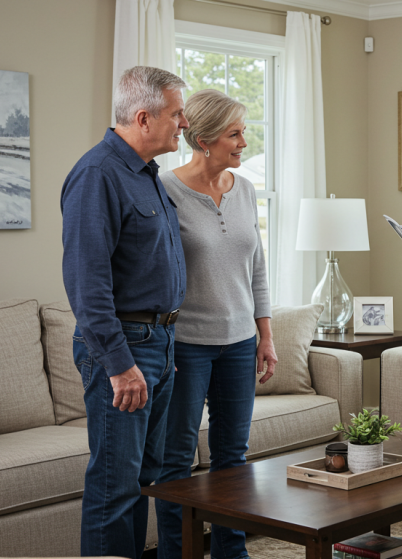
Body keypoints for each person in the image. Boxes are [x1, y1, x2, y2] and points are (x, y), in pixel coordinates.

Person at [61, 66, 189, 559]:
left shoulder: (147, 175)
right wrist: (120, 365)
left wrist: (165, 343)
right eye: (176, 114)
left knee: (144, 478)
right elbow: (86, 285)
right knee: (116, 486)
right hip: (125, 349)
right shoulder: (97, 175)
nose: (183, 123)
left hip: (157, 343)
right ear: (143, 118)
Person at [154, 88, 277, 559]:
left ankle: (232, 552)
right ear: (203, 139)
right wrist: (163, 346)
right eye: (235, 133)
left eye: (243, 132)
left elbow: (257, 269)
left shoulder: (242, 188)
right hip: (186, 345)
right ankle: (176, 553)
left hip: (240, 342)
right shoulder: (165, 190)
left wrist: (266, 336)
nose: (244, 142)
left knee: (233, 459)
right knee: (175, 462)